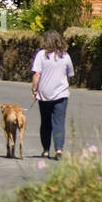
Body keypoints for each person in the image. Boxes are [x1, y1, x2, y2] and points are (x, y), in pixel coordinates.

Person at [30, 29, 74, 159]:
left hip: (44, 95)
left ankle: (45, 150)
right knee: (59, 122)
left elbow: (36, 74)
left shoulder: (41, 55)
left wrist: (34, 89)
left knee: (45, 123)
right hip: (61, 95)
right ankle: (59, 150)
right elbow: (70, 74)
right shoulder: (65, 56)